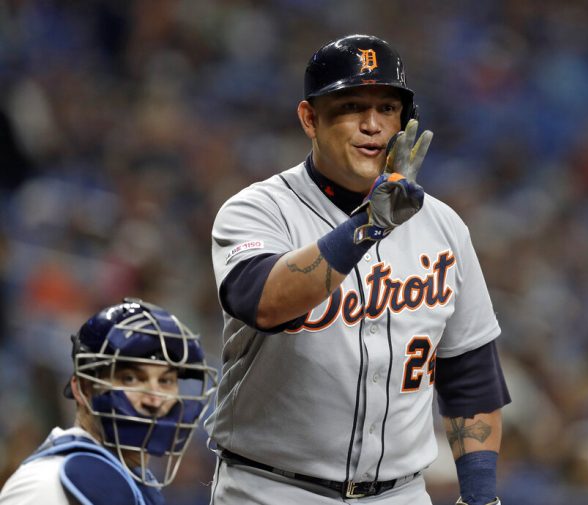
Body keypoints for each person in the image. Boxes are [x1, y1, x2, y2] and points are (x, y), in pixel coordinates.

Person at [208, 34, 511, 505]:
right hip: (271, 489)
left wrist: (480, 495)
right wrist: (369, 225)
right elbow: (264, 301)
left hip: (401, 494)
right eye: (351, 106)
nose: (372, 126)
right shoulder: (259, 210)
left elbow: (469, 373)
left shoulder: (444, 225)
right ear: (310, 119)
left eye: (387, 108)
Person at [0, 298, 218, 505]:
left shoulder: (133, 482)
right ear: (83, 389)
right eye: (131, 378)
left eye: (166, 380)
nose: (155, 398)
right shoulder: (48, 481)